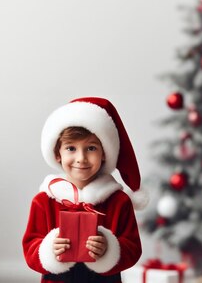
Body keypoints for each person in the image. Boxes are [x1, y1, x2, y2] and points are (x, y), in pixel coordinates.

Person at [23, 97, 148, 283]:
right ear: (58, 154)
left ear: (104, 153)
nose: (81, 158)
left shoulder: (119, 201)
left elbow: (133, 248)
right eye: (71, 148)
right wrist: (48, 249)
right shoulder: (43, 201)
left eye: (91, 148)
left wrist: (110, 249)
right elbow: (30, 247)